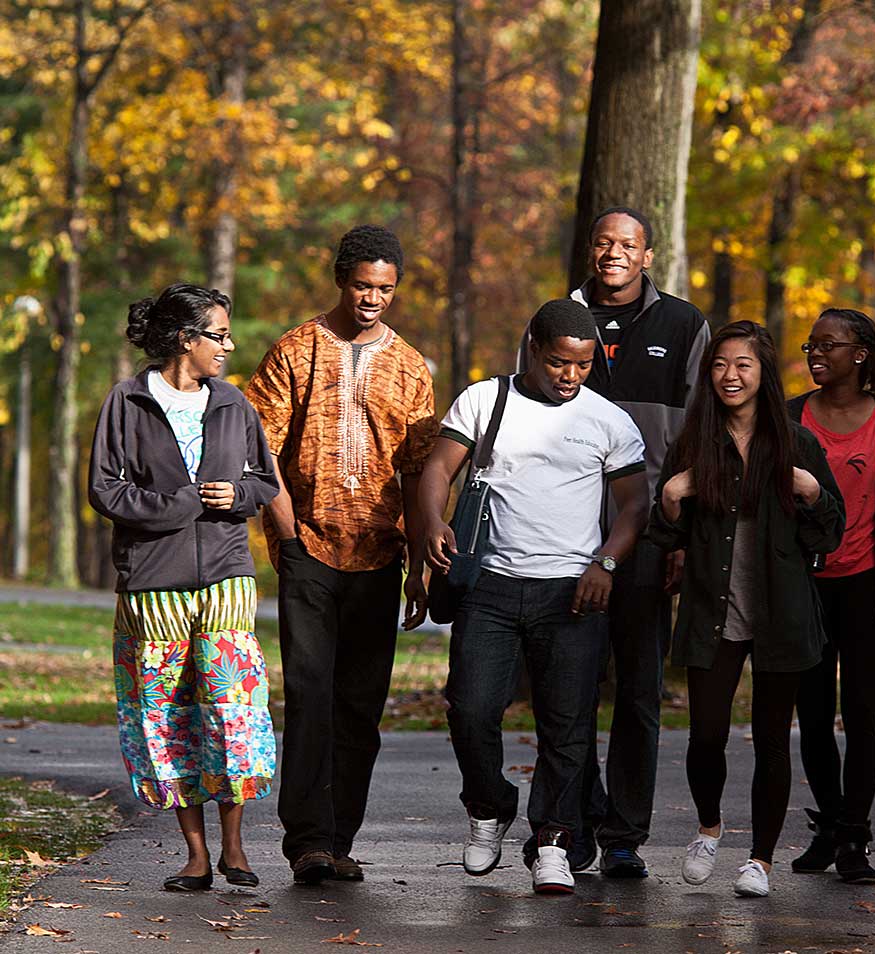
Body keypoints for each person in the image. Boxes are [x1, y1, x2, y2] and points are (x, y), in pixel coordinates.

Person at [422, 299, 649, 895]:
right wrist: (430, 524)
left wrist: (605, 562)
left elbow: (635, 505)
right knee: (470, 709)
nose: (570, 376)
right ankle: (489, 807)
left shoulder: (608, 420)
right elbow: (438, 470)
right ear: (531, 349)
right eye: (558, 363)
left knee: (567, 726)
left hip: (573, 591)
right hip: (491, 587)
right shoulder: (484, 399)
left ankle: (554, 839)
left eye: (582, 365)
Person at [519, 206, 710, 876]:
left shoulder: (684, 325)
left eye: (627, 244)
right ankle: (567, 825)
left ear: (648, 255)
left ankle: (625, 835)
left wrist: (681, 535)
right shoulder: (553, 321)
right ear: (590, 249)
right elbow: (523, 421)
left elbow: (700, 438)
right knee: (561, 689)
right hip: (561, 535)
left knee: (638, 689)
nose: (613, 253)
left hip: (649, 535)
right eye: (603, 242)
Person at [245, 224, 438, 885]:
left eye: (384, 289)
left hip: (381, 555)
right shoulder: (296, 350)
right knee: (308, 692)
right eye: (362, 286)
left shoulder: (411, 368)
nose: (372, 299)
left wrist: (419, 558)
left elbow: (419, 469)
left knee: (359, 702)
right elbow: (258, 444)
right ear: (340, 279)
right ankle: (307, 841)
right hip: (310, 548)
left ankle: (340, 838)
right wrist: (287, 527)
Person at [88, 283, 279, 892]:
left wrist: (237, 496)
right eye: (218, 335)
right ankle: (195, 855)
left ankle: (236, 848)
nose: (228, 345)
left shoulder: (234, 403)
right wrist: (185, 503)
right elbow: (106, 490)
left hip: (226, 579)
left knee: (232, 713)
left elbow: (264, 481)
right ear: (183, 339)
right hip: (153, 584)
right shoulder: (126, 402)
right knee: (166, 719)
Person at [648, 320, 845, 898]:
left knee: (770, 742)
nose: (730, 376)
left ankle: (759, 859)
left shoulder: (796, 442)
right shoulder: (694, 442)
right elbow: (664, 538)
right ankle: (709, 828)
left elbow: (829, 535)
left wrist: (813, 493)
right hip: (715, 610)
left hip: (781, 614)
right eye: (720, 365)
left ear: (763, 374)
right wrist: (669, 499)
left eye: (743, 365)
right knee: (706, 735)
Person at [788, 308, 875, 884]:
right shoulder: (791, 415)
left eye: (828, 344)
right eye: (810, 345)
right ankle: (830, 827)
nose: (815, 354)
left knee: (861, 715)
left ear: (861, 353)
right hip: (803, 586)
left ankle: (855, 839)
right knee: (814, 717)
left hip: (868, 586)